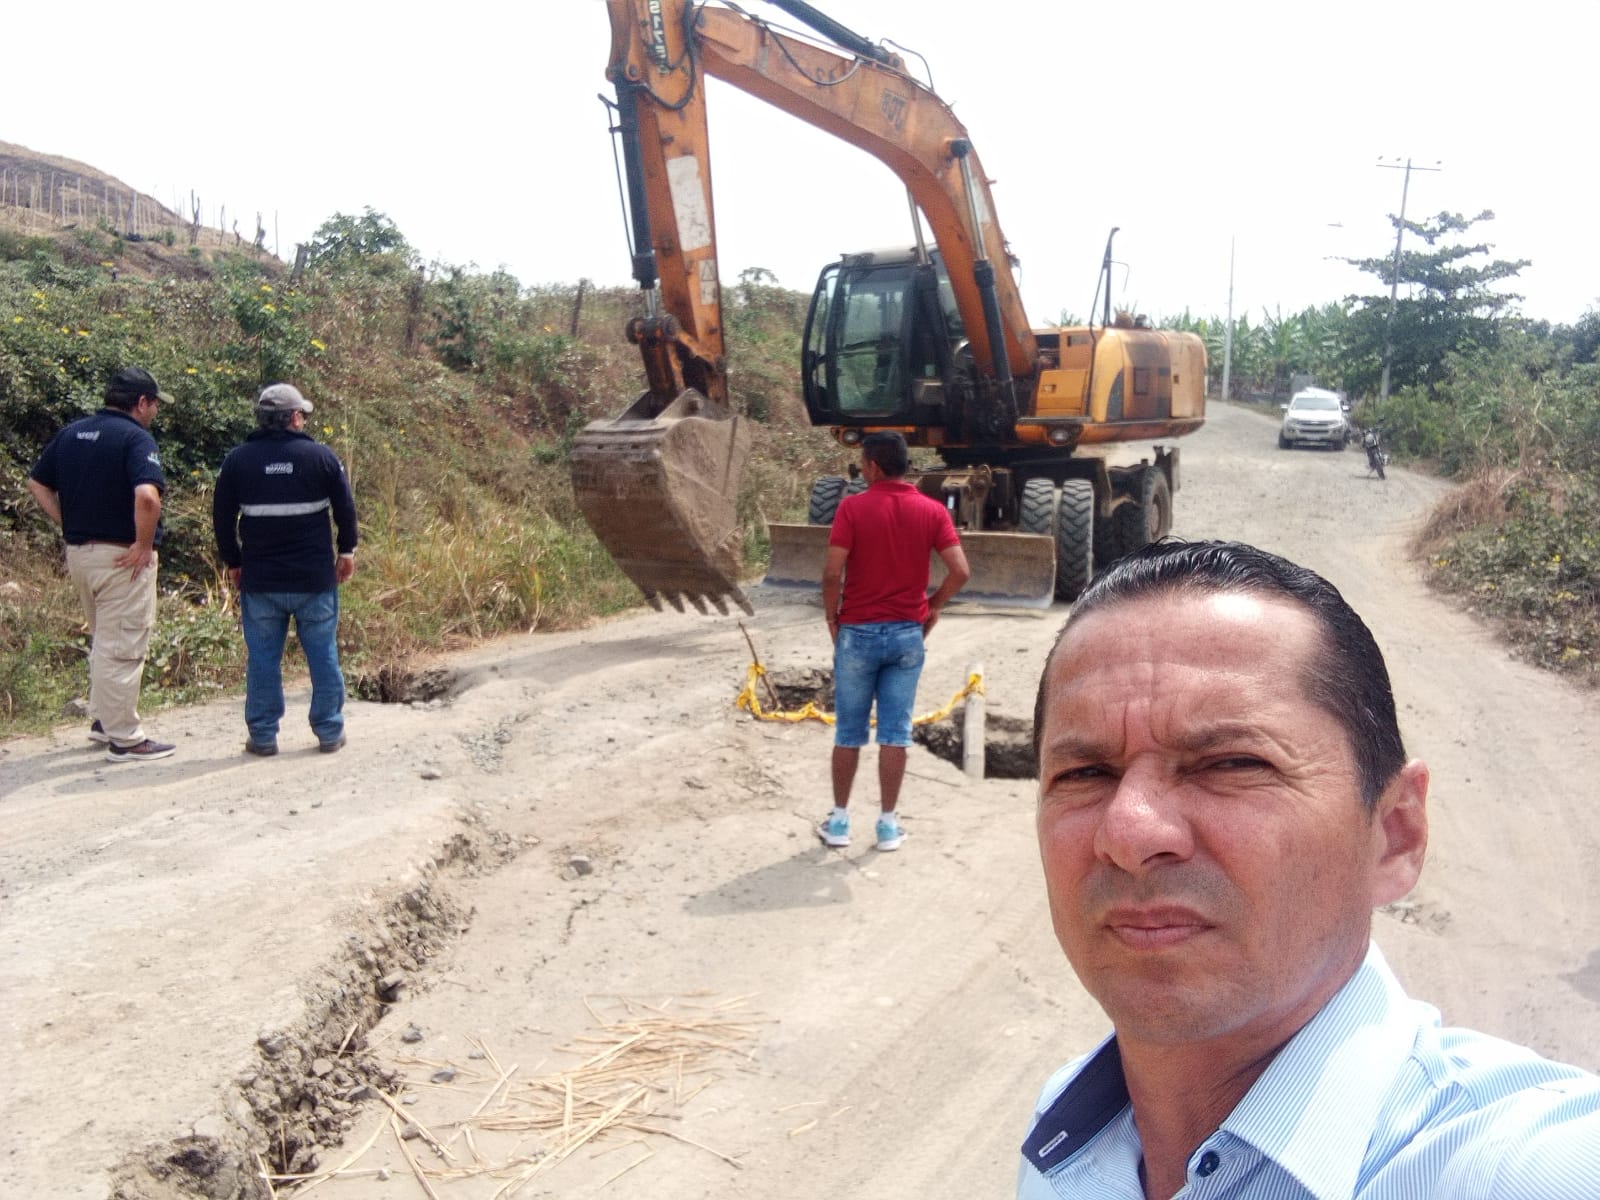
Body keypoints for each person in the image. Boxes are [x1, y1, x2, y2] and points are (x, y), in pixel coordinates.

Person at [1020, 539, 1600, 1199]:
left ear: (1394, 834)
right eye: (1085, 773)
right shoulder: (1063, 1140)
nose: (1128, 833)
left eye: (1233, 763)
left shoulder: (1528, 1168)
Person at [817, 431, 970, 852]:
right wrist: (932, 606)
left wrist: (832, 617)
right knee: (895, 733)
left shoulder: (852, 508)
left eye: (863, 466)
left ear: (873, 466)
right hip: (906, 635)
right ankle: (887, 825)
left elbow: (832, 574)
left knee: (848, 732)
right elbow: (960, 571)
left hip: (858, 633)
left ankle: (840, 822)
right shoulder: (932, 510)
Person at [26, 366, 176, 763]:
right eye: (155, 404)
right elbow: (148, 497)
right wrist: (143, 544)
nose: (156, 411)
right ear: (141, 402)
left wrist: (66, 522)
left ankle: (103, 721)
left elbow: (37, 483)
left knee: (104, 642)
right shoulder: (135, 438)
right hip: (122, 557)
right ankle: (125, 739)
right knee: (123, 646)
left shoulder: (72, 433)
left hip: (81, 555)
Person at [212, 383, 358, 756]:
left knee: (263, 659)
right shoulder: (322, 457)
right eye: (302, 414)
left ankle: (263, 736)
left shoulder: (237, 461)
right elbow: (345, 510)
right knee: (323, 654)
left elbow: (222, 518)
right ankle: (329, 731)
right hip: (314, 581)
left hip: (261, 581)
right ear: (294, 417)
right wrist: (347, 552)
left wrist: (233, 562)